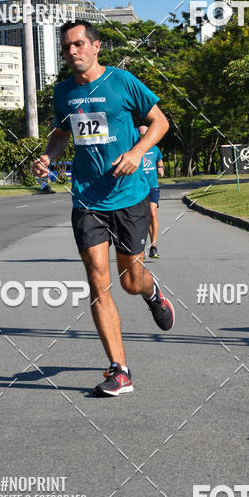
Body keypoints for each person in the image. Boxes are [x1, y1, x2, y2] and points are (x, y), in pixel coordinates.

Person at [32, 20, 174, 398]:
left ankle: (152, 292)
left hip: (129, 196)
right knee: (98, 281)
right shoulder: (63, 94)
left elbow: (160, 121)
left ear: (96, 47)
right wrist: (49, 155)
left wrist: (137, 151)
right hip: (87, 199)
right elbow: (63, 132)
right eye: (66, 47)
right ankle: (120, 370)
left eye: (78, 44)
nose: (72, 52)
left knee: (130, 282)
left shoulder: (122, 82)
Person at [138, 125, 164, 258]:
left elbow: (159, 160)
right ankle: (139, 247)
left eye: (145, 134)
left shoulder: (155, 148)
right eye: (141, 134)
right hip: (138, 188)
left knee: (152, 214)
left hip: (153, 186)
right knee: (143, 217)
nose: (143, 136)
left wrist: (161, 169)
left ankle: (153, 246)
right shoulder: (134, 149)